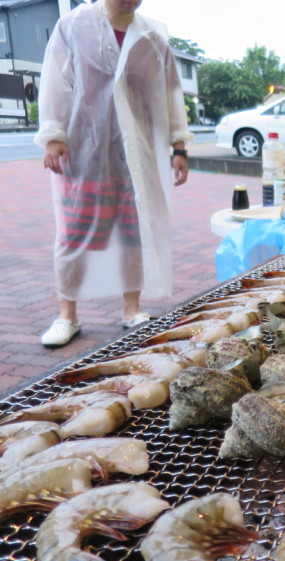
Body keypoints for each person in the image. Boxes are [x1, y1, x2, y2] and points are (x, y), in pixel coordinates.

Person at [35, 0, 191, 347]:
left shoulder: (152, 38)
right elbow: (55, 81)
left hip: (136, 154)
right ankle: (67, 315)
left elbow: (170, 93)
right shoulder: (74, 27)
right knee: (74, 233)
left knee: (132, 233)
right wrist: (54, 135)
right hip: (85, 148)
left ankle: (131, 309)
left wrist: (179, 146)